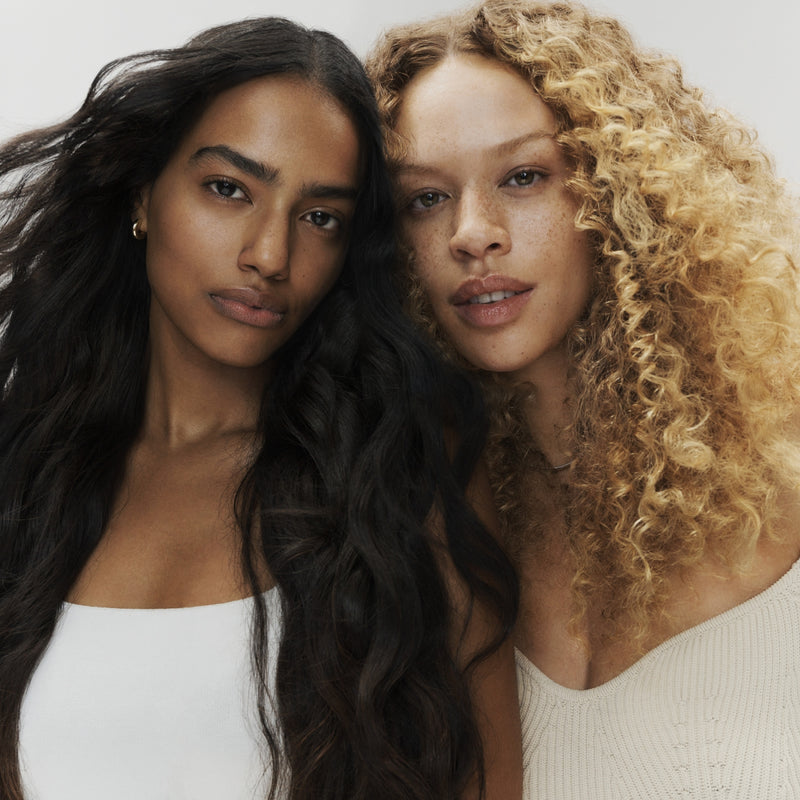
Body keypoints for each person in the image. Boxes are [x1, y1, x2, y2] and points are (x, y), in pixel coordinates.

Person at [0, 17, 522, 800]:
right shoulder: (29, 471)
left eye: (320, 218)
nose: (269, 255)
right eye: (228, 189)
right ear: (143, 192)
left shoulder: (403, 472)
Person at [367, 1, 800, 796]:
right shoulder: (430, 539)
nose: (474, 232)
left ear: (625, 194)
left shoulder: (787, 491)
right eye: (424, 199)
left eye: (524, 177)